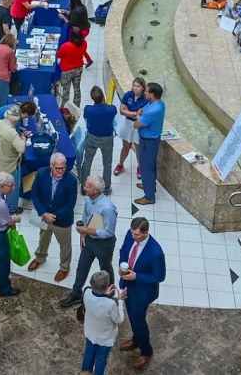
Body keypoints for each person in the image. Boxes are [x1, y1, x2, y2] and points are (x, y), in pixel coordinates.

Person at [59, 176, 118, 307]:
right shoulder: (88, 199)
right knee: (82, 266)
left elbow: (109, 232)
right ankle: (76, 293)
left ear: (96, 190)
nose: (84, 188)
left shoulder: (108, 208)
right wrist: (83, 235)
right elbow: (85, 217)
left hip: (104, 244)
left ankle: (109, 292)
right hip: (89, 240)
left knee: (106, 268)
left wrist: (86, 231)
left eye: (88, 186)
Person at [119, 217, 167, 370]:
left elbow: (159, 276)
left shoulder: (156, 252)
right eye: (132, 233)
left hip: (143, 291)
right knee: (131, 315)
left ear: (146, 233)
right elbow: (123, 251)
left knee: (138, 319)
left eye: (137, 234)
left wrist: (136, 276)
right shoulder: (130, 235)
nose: (133, 236)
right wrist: (122, 267)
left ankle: (146, 351)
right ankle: (136, 339)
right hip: (127, 285)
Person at [27, 152, 77, 281]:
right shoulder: (41, 173)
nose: (60, 171)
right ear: (51, 165)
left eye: (63, 167)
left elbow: (70, 204)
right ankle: (40, 258)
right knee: (43, 239)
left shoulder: (71, 181)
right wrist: (43, 213)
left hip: (62, 220)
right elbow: (35, 195)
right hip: (44, 217)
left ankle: (64, 267)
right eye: (57, 168)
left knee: (65, 245)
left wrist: (53, 216)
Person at [82, 270, 127, 375]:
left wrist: (105, 294)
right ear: (106, 286)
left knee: (88, 355)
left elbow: (96, 301)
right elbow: (119, 320)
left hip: (90, 332)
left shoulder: (86, 292)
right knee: (100, 361)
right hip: (105, 338)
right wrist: (120, 300)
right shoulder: (110, 304)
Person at [133, 82, 165, 205]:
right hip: (152, 140)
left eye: (146, 91)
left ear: (152, 94)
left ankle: (149, 196)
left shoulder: (152, 111)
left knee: (146, 168)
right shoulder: (159, 103)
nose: (144, 93)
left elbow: (136, 125)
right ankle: (150, 185)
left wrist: (137, 115)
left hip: (148, 142)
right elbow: (143, 109)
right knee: (151, 166)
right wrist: (141, 113)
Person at [82, 87, 117, 194]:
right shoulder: (112, 109)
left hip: (92, 137)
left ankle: (84, 187)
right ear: (103, 96)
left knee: (87, 161)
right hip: (107, 138)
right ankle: (106, 187)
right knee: (107, 163)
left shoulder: (88, 109)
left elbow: (85, 118)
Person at [114, 78, 148, 177]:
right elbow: (122, 110)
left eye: (138, 86)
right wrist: (134, 113)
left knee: (138, 148)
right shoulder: (128, 95)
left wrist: (130, 113)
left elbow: (143, 114)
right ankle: (120, 164)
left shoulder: (146, 99)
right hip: (127, 124)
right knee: (126, 146)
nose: (135, 88)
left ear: (143, 88)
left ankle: (139, 167)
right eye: (134, 85)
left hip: (138, 126)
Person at [56, 27, 89, 108]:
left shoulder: (66, 46)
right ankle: (76, 106)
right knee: (77, 88)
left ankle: (64, 108)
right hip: (78, 69)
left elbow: (58, 55)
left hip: (67, 71)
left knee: (66, 90)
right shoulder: (84, 43)